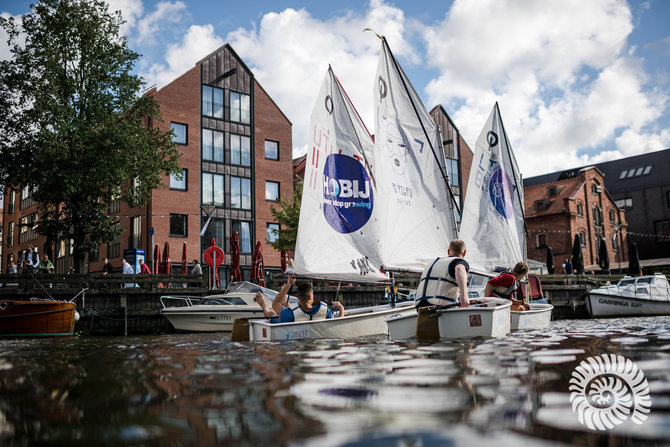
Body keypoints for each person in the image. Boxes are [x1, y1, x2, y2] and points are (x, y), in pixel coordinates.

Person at [415, 239, 470, 308]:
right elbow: (459, 269)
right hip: (438, 308)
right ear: (464, 252)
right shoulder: (458, 262)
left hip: (421, 308)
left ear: (448, 251)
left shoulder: (431, 264)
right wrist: (464, 296)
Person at [268, 276, 344, 322]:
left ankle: (263, 304)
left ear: (297, 296)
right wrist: (341, 309)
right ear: (310, 296)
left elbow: (275, 304)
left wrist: (289, 284)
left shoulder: (290, 313)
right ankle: (285, 301)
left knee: (273, 315)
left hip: (296, 346)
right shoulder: (325, 310)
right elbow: (336, 325)